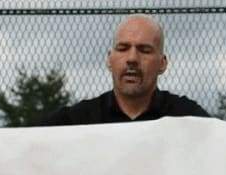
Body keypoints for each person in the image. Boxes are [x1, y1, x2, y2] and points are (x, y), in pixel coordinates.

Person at [39, 14, 209, 126]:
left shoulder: (187, 118)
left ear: (162, 63)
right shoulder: (78, 121)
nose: (132, 59)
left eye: (144, 50)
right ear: (109, 59)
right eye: (122, 48)